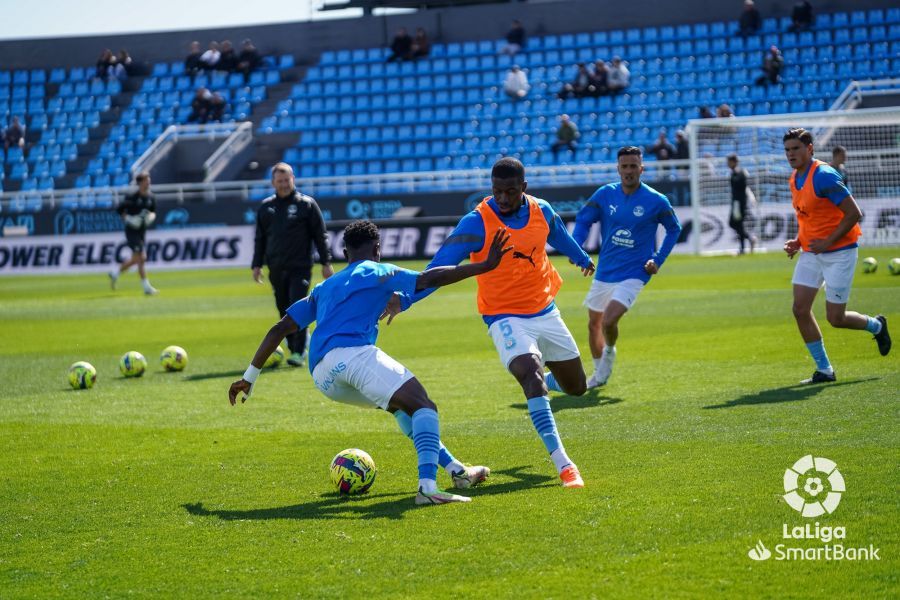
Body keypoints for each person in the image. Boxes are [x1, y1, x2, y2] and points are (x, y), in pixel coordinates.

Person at [230, 221, 509, 504]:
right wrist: (484, 266)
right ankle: (427, 488)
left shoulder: (324, 287)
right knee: (424, 406)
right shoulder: (377, 270)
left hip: (323, 378)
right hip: (351, 356)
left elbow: (280, 328)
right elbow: (428, 278)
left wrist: (249, 378)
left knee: (403, 410)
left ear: (345, 252)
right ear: (377, 248)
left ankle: (458, 471)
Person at [386, 158, 596, 489]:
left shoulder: (541, 209)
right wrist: (408, 298)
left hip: (545, 309)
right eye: (496, 191)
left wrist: (580, 256)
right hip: (504, 316)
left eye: (510, 192)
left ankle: (552, 382)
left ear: (524, 189)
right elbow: (440, 267)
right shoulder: (476, 223)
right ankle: (565, 464)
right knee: (530, 374)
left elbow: (559, 233)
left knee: (577, 387)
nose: (502, 198)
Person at [782, 128, 891, 384]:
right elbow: (807, 216)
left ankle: (876, 325)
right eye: (787, 150)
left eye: (796, 148)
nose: (791, 154)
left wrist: (828, 241)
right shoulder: (794, 178)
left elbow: (854, 213)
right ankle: (825, 370)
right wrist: (799, 241)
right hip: (811, 252)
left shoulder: (824, 176)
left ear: (809, 149)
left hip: (839, 253)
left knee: (836, 318)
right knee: (800, 309)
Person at [572, 147, 682, 388]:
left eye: (634, 166)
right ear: (618, 168)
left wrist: (658, 259)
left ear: (642, 169)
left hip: (635, 272)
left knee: (608, 322)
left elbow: (674, 229)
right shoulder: (604, 194)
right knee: (593, 324)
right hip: (605, 270)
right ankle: (599, 374)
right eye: (625, 166)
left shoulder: (656, 200)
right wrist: (577, 247)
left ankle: (609, 352)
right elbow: (583, 220)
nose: (629, 171)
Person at [253, 163, 334, 368]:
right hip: (276, 267)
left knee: (296, 305)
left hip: (301, 266)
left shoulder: (306, 204)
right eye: (279, 181)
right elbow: (260, 239)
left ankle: (299, 350)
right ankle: (292, 346)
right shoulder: (265, 207)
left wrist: (326, 262)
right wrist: (257, 265)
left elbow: (320, 236)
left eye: (286, 180)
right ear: (273, 183)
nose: (283, 184)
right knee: (283, 309)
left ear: (293, 179)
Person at [109, 172, 158, 295]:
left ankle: (115, 273)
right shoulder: (132, 197)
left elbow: (153, 211)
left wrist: (151, 217)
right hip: (131, 231)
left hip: (142, 231)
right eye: (146, 180)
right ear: (140, 183)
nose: (149, 182)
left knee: (136, 259)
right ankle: (146, 287)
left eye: (149, 180)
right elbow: (120, 210)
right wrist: (129, 219)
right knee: (142, 258)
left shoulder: (151, 197)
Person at [726, 154, 758, 255]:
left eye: (729, 161)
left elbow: (742, 187)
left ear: (734, 162)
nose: (728, 164)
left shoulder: (739, 173)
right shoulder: (735, 173)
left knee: (734, 223)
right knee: (737, 225)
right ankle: (747, 243)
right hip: (736, 203)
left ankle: (746, 244)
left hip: (739, 203)